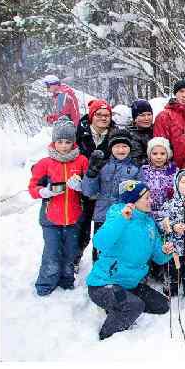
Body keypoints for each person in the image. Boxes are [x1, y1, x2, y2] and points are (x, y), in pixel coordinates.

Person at [85, 180, 173, 340]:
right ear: (133, 201)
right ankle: (106, 337)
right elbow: (100, 242)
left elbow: (159, 258)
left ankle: (119, 304)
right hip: (104, 284)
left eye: (150, 197)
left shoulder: (149, 224)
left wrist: (166, 251)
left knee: (163, 305)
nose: (151, 201)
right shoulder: (117, 215)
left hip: (129, 285)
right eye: (146, 198)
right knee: (134, 306)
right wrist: (122, 220)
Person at [28, 117, 89, 295]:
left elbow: (90, 186)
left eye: (68, 142)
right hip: (50, 218)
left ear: (73, 142)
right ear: (54, 142)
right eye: (60, 141)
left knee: (70, 252)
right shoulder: (45, 163)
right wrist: (43, 192)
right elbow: (32, 187)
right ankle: (45, 284)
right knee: (52, 253)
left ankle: (66, 280)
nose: (63, 146)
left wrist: (81, 187)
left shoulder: (82, 161)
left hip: (74, 217)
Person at [81, 129, 140, 262]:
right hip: (103, 216)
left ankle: (120, 279)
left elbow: (141, 195)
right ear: (111, 148)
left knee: (122, 249)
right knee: (101, 248)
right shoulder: (103, 166)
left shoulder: (136, 169)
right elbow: (88, 191)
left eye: (124, 146)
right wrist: (91, 173)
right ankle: (98, 279)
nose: (121, 150)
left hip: (124, 216)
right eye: (117, 146)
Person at [74, 99, 114, 269]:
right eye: (99, 114)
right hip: (82, 187)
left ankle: (100, 263)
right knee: (81, 228)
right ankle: (74, 259)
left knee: (101, 229)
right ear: (91, 116)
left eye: (107, 115)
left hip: (104, 190)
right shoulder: (79, 134)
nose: (103, 118)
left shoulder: (114, 134)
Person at [139, 137, 177, 282]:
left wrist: (172, 193)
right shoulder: (143, 170)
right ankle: (146, 271)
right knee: (147, 242)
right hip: (147, 214)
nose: (159, 157)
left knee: (164, 242)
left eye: (162, 153)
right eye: (155, 154)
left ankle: (164, 271)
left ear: (168, 154)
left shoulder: (172, 169)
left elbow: (177, 187)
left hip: (166, 214)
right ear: (149, 155)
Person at [127, 99, 154, 167]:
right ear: (135, 118)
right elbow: (136, 161)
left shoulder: (156, 130)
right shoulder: (131, 135)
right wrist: (160, 159)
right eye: (142, 115)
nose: (146, 118)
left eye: (149, 114)